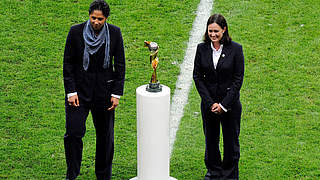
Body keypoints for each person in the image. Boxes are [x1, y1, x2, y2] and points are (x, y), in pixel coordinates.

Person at [63, 0, 125, 179]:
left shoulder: (114, 33)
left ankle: (103, 176)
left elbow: (120, 65)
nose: (96, 22)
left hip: (104, 94)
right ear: (89, 16)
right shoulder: (75, 32)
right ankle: (71, 174)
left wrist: (116, 94)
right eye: (93, 18)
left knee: (105, 138)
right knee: (73, 134)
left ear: (106, 19)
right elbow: (68, 63)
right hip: (79, 94)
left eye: (100, 19)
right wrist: (71, 91)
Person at [193, 14, 244, 180]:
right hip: (209, 106)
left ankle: (230, 175)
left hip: (230, 106)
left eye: (216, 31)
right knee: (211, 141)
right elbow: (197, 76)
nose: (213, 34)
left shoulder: (236, 49)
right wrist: (210, 103)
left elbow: (238, 80)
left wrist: (223, 105)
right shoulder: (201, 49)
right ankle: (214, 172)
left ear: (224, 29)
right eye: (210, 31)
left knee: (231, 142)